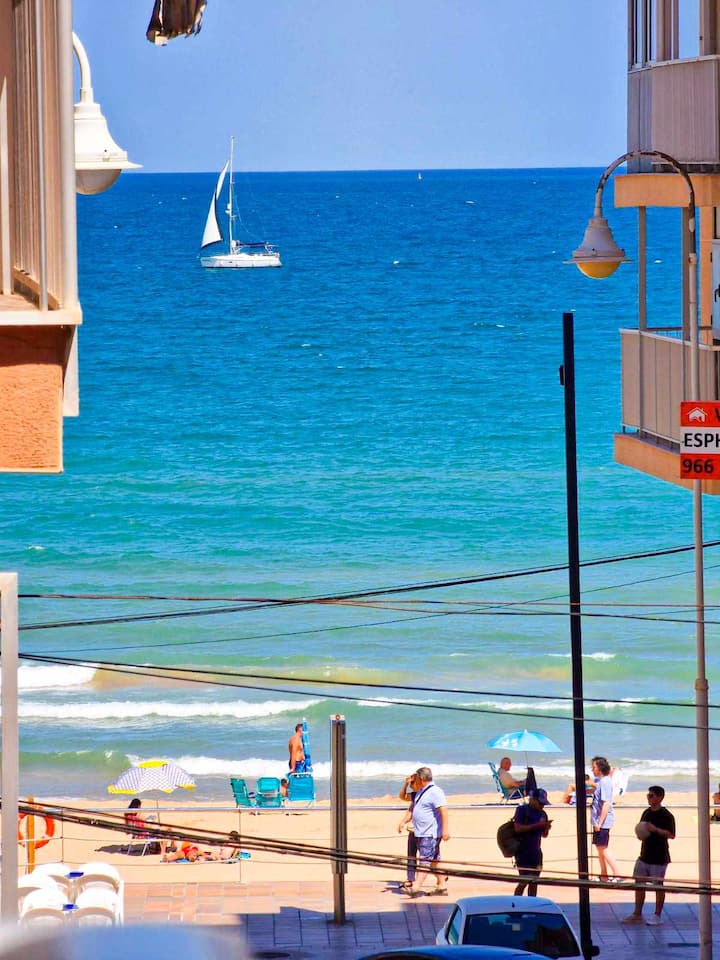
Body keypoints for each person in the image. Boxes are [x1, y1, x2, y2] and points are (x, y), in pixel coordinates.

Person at [622, 786, 676, 926]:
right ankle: (637, 913)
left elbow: (671, 834)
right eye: (648, 795)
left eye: (651, 795)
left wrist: (655, 829)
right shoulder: (646, 812)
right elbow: (642, 828)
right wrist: (640, 834)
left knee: (658, 886)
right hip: (644, 854)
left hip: (659, 856)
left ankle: (657, 915)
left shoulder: (666, 815)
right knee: (639, 884)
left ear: (660, 797)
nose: (649, 798)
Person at [406, 766, 450, 897]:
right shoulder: (421, 791)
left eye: (416, 778)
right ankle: (442, 886)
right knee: (434, 860)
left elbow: (444, 811)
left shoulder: (435, 791)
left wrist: (445, 830)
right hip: (421, 832)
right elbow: (405, 798)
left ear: (420, 778)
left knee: (425, 860)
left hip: (429, 833)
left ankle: (416, 887)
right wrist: (407, 783)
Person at [513, 788, 552, 896]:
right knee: (523, 881)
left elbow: (544, 835)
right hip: (523, 852)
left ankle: (532, 902)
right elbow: (517, 828)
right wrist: (537, 826)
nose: (542, 806)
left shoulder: (543, 814)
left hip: (536, 852)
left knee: (535, 882)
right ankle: (517, 902)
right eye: (540, 803)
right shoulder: (522, 810)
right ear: (532, 800)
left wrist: (546, 828)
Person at [590, 756, 620, 881]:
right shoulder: (602, 781)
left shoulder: (605, 782)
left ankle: (617, 874)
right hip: (598, 821)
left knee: (603, 848)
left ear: (600, 768)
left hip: (603, 822)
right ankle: (604, 875)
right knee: (600, 848)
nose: (592, 769)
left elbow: (606, 803)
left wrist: (600, 822)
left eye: (594, 767)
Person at [396, 772, 419, 892]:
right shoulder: (415, 795)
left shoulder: (426, 795)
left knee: (430, 858)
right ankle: (411, 878)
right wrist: (405, 784)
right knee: (411, 855)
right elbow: (402, 797)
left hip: (424, 831)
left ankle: (441, 877)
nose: (411, 786)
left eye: (412, 784)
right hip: (413, 830)